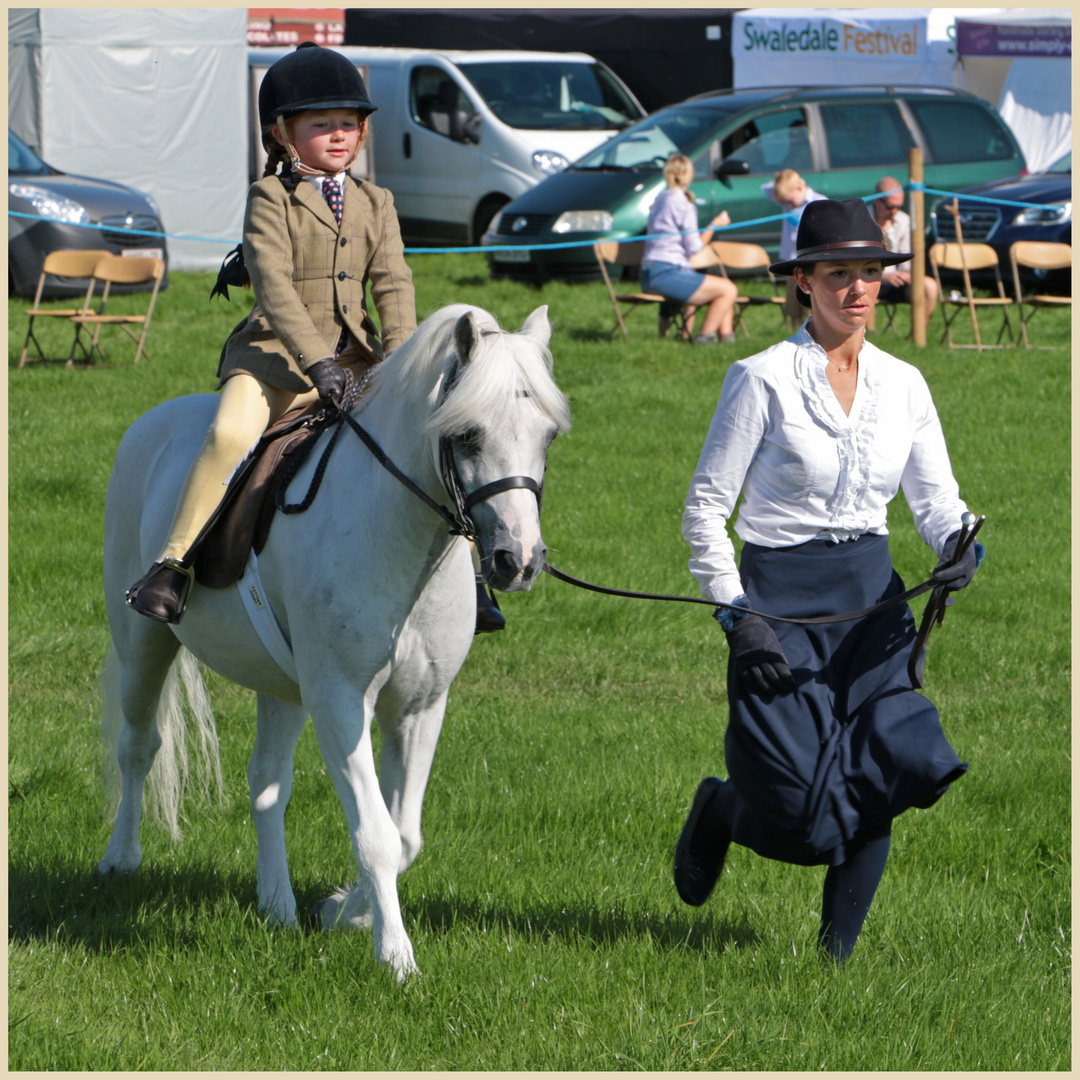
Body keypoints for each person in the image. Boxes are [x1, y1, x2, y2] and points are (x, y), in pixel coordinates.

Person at [675, 199, 984, 964]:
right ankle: (722, 809)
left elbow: (937, 500)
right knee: (798, 813)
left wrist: (958, 544)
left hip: (873, 602)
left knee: (882, 767)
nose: (857, 289)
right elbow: (705, 510)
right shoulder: (761, 379)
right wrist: (735, 613)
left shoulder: (906, 384)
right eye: (838, 274)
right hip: (779, 603)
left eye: (869, 273)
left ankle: (832, 967)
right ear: (804, 283)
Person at [124, 45, 507, 634]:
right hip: (275, 359)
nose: (338, 135)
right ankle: (172, 564)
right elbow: (274, 289)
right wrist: (316, 361)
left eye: (348, 125)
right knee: (228, 436)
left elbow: (394, 285)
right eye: (321, 124)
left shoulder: (377, 202)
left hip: (359, 359)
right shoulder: (268, 199)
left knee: (436, 439)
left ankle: (473, 581)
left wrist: (403, 363)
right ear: (281, 133)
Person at [641, 153, 738, 345]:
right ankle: (704, 338)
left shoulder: (659, 200)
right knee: (728, 289)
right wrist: (714, 225)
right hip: (667, 273)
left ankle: (727, 339)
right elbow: (694, 247)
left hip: (649, 273)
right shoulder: (684, 204)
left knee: (721, 286)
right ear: (689, 175)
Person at [871, 176, 939, 328]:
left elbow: (906, 261)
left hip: (897, 281)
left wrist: (908, 274)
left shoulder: (904, 221)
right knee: (865, 284)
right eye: (890, 207)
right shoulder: (862, 220)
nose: (894, 211)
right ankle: (868, 335)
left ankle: (919, 332)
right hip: (868, 279)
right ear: (877, 201)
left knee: (930, 285)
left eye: (898, 206)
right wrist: (884, 276)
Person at [762, 168, 825, 324]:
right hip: (792, 258)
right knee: (792, 296)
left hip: (810, 259)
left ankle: (811, 323)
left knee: (808, 295)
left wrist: (797, 183)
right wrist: (781, 177)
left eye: (790, 200)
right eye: (786, 202)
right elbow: (767, 189)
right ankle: (794, 324)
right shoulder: (786, 202)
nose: (788, 204)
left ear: (799, 188)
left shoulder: (817, 202)